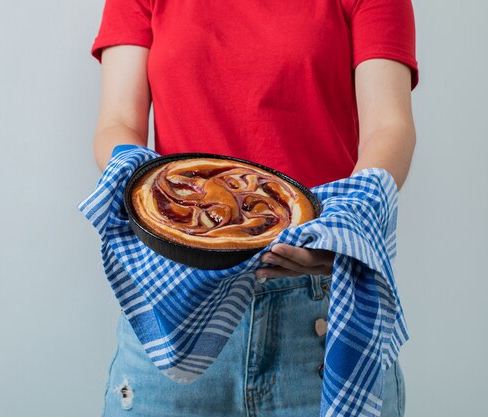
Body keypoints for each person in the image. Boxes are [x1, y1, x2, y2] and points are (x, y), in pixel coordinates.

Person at [89, 0, 418, 415]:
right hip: (174, 296)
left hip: (318, 305)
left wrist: (344, 227)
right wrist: (143, 182)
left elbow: (390, 127)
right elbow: (118, 123)